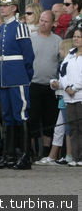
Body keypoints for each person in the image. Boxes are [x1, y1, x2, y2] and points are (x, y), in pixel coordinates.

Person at [0, 0, 35, 170]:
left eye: (6, 5)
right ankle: (9, 155)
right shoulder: (2, 28)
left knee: (21, 114)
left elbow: (28, 55)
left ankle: (24, 156)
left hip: (17, 76)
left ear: (14, 8)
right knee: (7, 116)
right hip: (5, 76)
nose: (2, 8)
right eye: (1, 5)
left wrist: (26, 76)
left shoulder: (20, 27)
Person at [28, 9, 62, 162]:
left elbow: (61, 62)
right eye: (41, 20)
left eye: (46, 21)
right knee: (33, 118)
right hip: (33, 83)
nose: (42, 23)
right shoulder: (31, 38)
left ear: (53, 24)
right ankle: (33, 150)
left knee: (50, 118)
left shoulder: (58, 41)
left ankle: (47, 152)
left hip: (50, 86)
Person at [53, 29, 82, 166]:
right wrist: (66, 87)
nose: (76, 39)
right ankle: (76, 157)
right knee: (73, 128)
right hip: (69, 97)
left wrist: (75, 88)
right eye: (75, 37)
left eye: (79, 37)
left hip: (80, 95)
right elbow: (62, 73)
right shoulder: (70, 54)